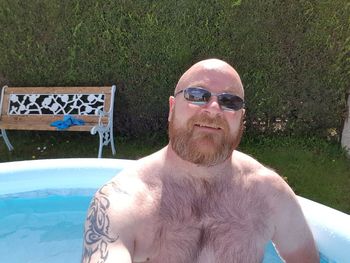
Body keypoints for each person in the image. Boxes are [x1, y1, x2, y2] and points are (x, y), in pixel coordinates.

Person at [81, 58, 319, 263]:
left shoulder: (270, 195)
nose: (214, 109)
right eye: (197, 95)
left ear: (241, 118)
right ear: (172, 108)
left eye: (230, 101)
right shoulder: (123, 200)